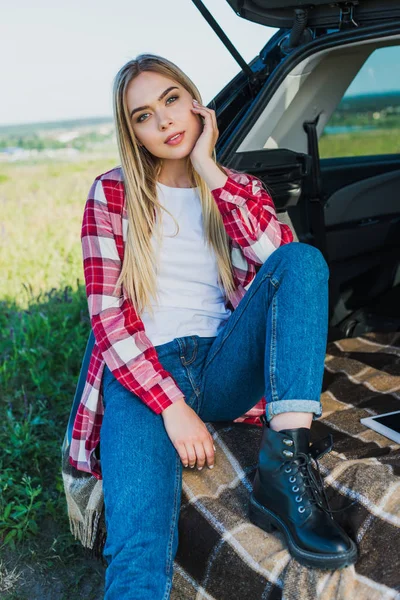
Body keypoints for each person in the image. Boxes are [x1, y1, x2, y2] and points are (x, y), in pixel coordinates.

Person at [75, 53, 358, 599]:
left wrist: (209, 167)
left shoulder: (240, 188)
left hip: (224, 361)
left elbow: (288, 275)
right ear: (131, 132)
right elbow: (108, 317)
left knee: (304, 261)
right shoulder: (110, 194)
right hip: (142, 379)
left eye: (171, 100)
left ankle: (285, 467)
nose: (163, 122)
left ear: (194, 100)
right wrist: (172, 408)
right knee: (138, 546)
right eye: (143, 116)